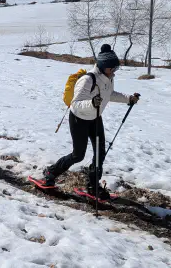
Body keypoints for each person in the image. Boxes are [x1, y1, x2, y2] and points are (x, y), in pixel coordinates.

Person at [32, 44, 139, 198]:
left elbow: (109, 94)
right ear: (103, 66)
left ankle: (93, 186)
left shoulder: (108, 78)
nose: (114, 71)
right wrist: (92, 104)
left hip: (95, 118)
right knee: (78, 155)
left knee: (99, 153)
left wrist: (128, 98)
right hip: (79, 119)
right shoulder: (87, 79)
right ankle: (51, 172)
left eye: (116, 68)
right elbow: (75, 103)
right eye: (112, 68)